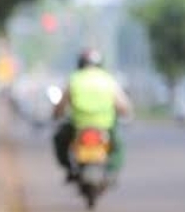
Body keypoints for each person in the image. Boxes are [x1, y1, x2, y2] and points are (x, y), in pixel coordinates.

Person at [52, 48, 132, 181]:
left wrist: (55, 115)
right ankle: (112, 171)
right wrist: (125, 114)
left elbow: (61, 105)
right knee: (118, 146)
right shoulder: (107, 80)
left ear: (80, 63)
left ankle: (69, 168)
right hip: (105, 125)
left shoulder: (75, 79)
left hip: (79, 124)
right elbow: (123, 106)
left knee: (59, 139)